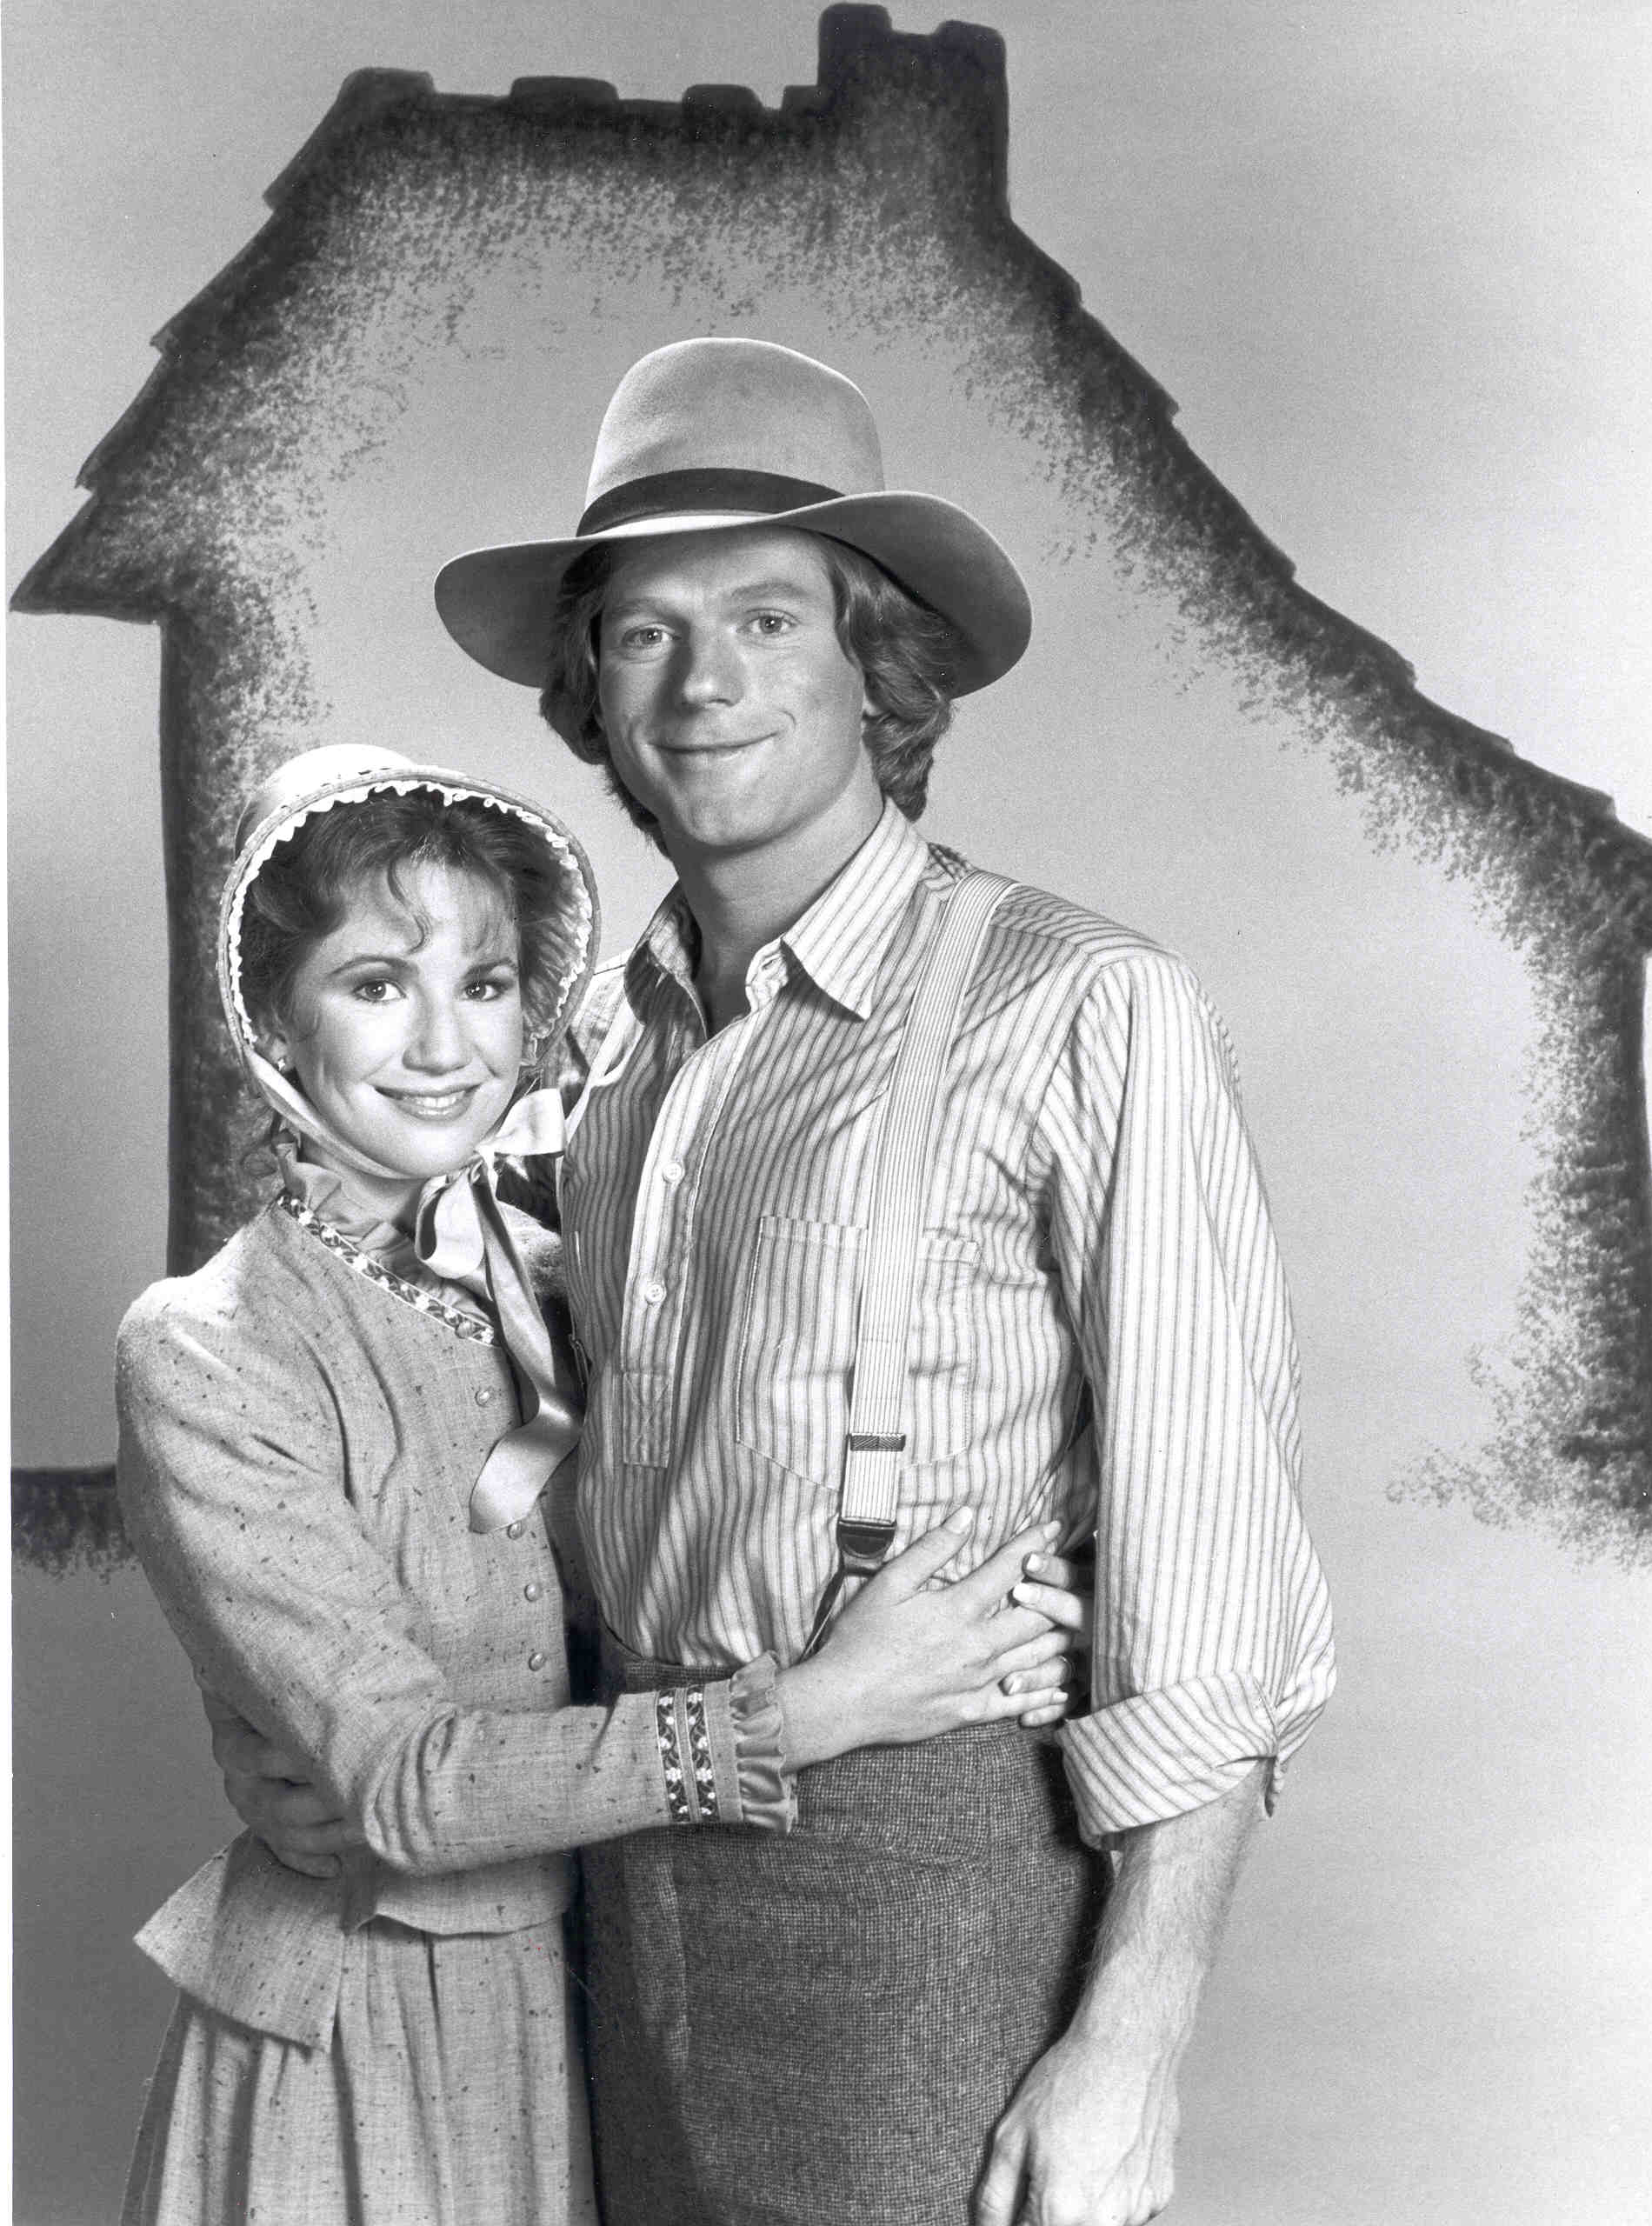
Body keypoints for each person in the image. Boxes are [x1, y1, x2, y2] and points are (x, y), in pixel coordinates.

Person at [244, 336, 1337, 2225]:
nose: (703, 679)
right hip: (614, 1847)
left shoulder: (1083, 1006)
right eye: (644, 630)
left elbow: (1211, 1582)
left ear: (871, 662)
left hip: (929, 1872)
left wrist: (1129, 2037)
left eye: (764, 615)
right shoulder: (577, 1054)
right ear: (588, 683)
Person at [117, 743, 1087, 2226]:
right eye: (377, 984)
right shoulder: (211, 1346)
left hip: (592, 2002)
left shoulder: (566, 1278)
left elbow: (723, 1523)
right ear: (274, 1019)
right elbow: (406, 1789)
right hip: (356, 2031)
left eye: (487, 984)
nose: (445, 1043)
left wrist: (1041, 1587)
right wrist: (831, 1705)